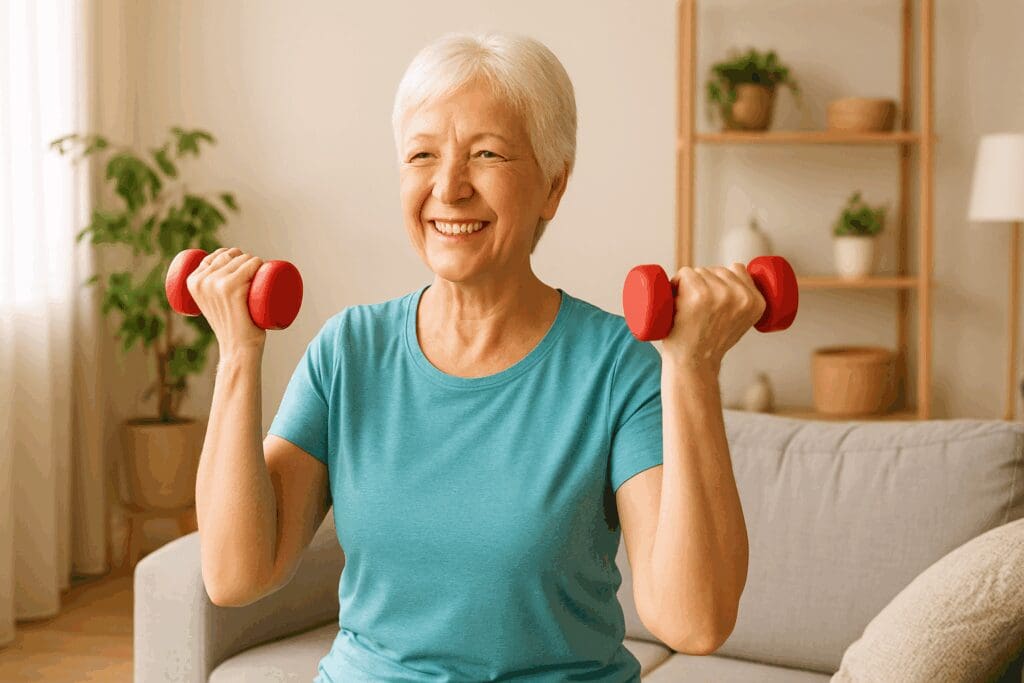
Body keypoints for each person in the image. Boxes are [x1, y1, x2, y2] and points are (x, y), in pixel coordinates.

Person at [193, 30, 758, 683]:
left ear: (553, 186)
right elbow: (234, 574)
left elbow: (695, 621)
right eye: (422, 155)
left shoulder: (617, 367)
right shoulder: (348, 351)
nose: (450, 186)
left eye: (486, 153)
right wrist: (238, 352)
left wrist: (692, 367)